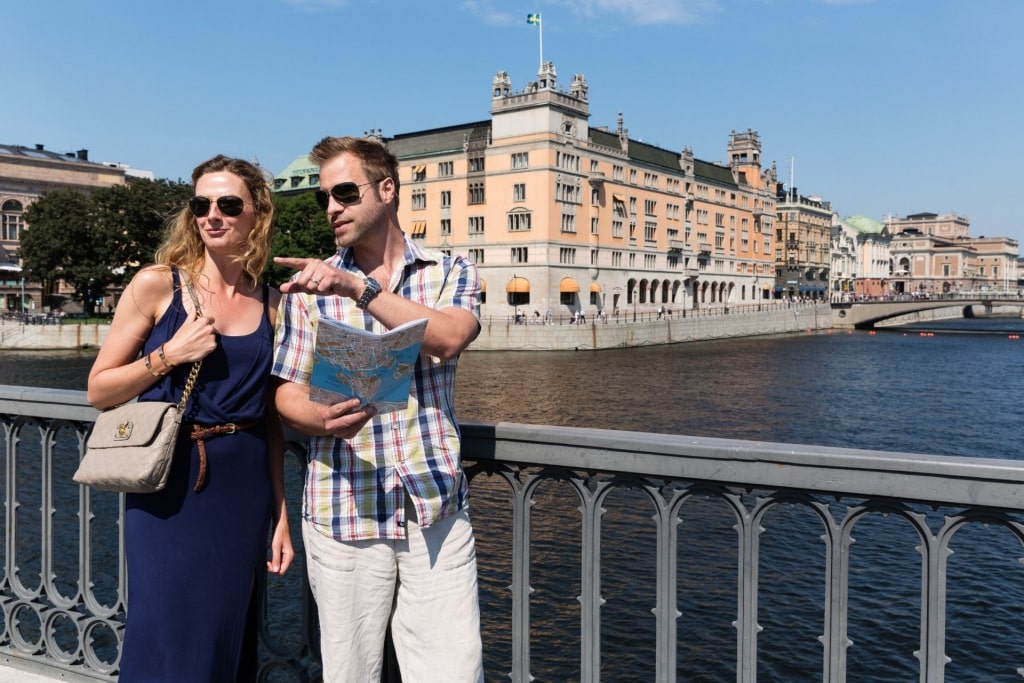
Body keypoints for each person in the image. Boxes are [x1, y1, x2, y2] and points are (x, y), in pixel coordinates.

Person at [271, 135, 484, 682]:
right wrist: (316, 417)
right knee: (350, 675)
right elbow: (285, 393)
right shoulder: (305, 291)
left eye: (344, 192)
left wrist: (356, 287)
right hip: (344, 509)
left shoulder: (449, 269)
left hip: (433, 507)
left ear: (387, 189)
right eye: (325, 198)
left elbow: (449, 338)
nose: (332, 208)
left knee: (452, 674)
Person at [86, 155, 293, 682]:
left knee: (227, 634)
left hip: (243, 489)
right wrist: (168, 356)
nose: (212, 215)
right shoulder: (158, 285)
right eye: (201, 205)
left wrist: (281, 512)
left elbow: (271, 420)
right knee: (167, 630)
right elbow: (99, 389)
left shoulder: (272, 305)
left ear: (257, 214)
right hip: (169, 485)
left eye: (228, 204)